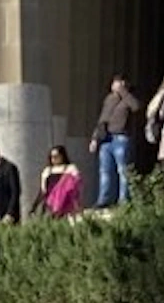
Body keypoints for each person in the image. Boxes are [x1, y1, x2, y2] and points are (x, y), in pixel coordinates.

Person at [92, 75, 142, 207]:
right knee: (105, 171)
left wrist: (123, 92)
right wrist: (95, 138)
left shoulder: (128, 98)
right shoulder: (109, 99)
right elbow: (102, 118)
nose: (114, 85)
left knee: (123, 170)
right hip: (106, 139)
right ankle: (104, 199)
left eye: (117, 83)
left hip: (121, 137)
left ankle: (124, 200)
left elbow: (136, 107)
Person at [39, 146, 84, 219]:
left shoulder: (71, 169)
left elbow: (77, 184)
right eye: (52, 157)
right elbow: (43, 188)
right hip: (51, 203)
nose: (54, 159)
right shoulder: (47, 170)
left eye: (56, 156)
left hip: (67, 204)